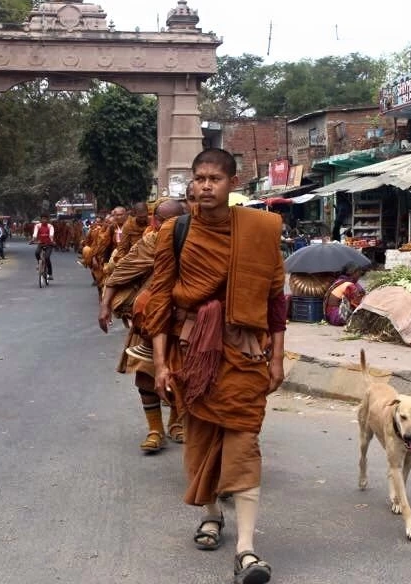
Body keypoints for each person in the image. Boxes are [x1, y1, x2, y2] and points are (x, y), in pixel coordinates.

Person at [147, 148, 286, 584]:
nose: (206, 186)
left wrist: (278, 356)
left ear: (232, 184)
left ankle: (246, 549)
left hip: (244, 353)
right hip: (193, 353)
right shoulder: (176, 231)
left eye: (215, 179)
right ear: (191, 182)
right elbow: (159, 300)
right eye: (200, 178)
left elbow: (276, 297)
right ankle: (211, 515)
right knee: (201, 438)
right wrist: (159, 362)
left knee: (244, 441)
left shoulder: (260, 230)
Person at [99, 198, 189, 453]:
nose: (171, 226)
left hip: (184, 320)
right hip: (149, 320)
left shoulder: (195, 241)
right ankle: (154, 430)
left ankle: (176, 422)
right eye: (166, 221)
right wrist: (105, 305)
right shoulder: (149, 243)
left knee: (181, 374)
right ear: (156, 221)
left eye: (177, 221)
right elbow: (121, 272)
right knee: (145, 377)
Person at [30, 213, 55, 280]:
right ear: (40, 219)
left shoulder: (50, 226)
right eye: (43, 219)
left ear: (47, 220)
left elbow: (51, 234)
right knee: (36, 253)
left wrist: (52, 240)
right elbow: (35, 234)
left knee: (47, 257)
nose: (44, 220)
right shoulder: (37, 226)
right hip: (41, 243)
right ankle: (39, 263)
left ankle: (50, 274)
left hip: (49, 244)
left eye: (45, 219)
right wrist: (33, 239)